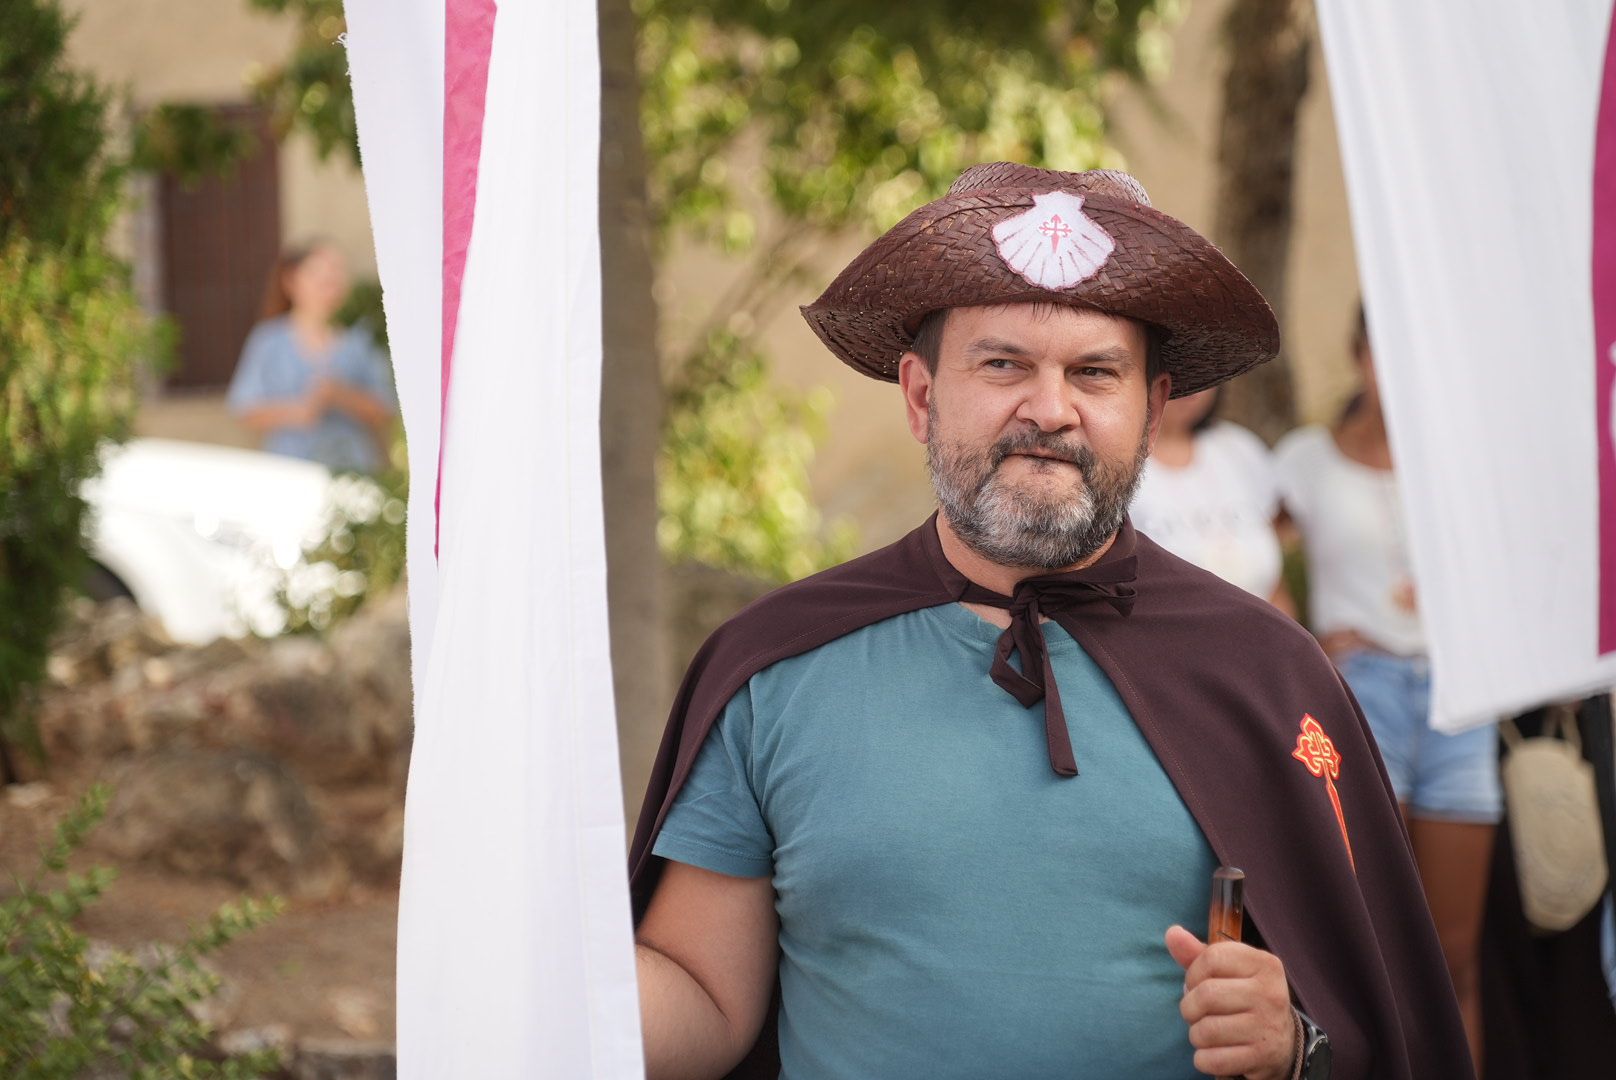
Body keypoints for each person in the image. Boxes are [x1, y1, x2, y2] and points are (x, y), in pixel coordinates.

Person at [630, 164, 1470, 1080]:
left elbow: (1383, 1024)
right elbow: (705, 1003)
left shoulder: (1268, 676)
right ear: (920, 396)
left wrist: (1294, 1042)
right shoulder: (776, 669)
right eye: (1003, 364)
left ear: (1150, 411)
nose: (1050, 408)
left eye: (1095, 373)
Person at [1275, 306, 1499, 1071]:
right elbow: (1243, 559)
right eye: (1385, 353)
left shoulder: (1463, 461)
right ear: (1358, 356)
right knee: (1379, 941)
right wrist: (1306, 640)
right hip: (1358, 693)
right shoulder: (1304, 460)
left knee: (1454, 952)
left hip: (1460, 697)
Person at [227, 241, 396, 473]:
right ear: (291, 281)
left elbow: (386, 408)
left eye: (335, 275)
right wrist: (298, 411)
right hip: (290, 472)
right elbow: (244, 408)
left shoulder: (361, 338)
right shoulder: (268, 341)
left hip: (355, 472)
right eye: (319, 276)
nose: (329, 284)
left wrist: (342, 396)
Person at [1129, 387, 1292, 611]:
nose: (1191, 387)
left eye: (1202, 373)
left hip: (1260, 634)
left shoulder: (1239, 448)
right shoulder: (1120, 462)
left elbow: (1276, 580)